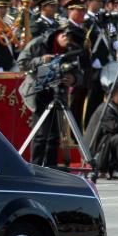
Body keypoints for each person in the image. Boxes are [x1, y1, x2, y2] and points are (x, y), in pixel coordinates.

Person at [18, 26, 84, 168]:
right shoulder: (39, 43)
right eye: (66, 38)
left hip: (58, 91)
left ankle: (51, 166)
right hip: (38, 91)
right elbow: (22, 63)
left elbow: (79, 72)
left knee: (55, 135)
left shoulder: (72, 49)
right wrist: (41, 60)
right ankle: (35, 167)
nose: (68, 42)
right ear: (61, 34)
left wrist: (73, 79)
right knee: (41, 133)